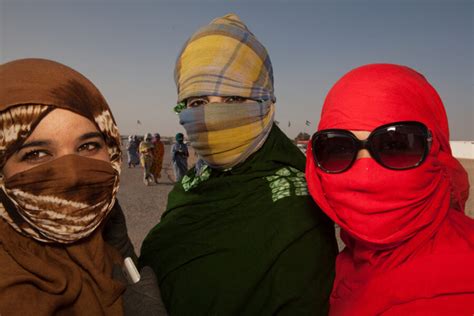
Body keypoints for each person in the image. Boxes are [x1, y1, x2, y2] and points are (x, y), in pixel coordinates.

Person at [140, 14, 338, 315]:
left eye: (233, 99)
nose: (212, 116)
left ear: (267, 106)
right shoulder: (190, 187)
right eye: (197, 103)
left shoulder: (297, 213)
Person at [0, 58, 165, 315]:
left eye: (87, 146)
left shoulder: (109, 250)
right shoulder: (13, 289)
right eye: (36, 154)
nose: (73, 175)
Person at [306, 64, 474, 315]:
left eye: (395, 145)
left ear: (436, 151)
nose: (364, 176)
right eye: (338, 148)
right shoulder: (343, 261)